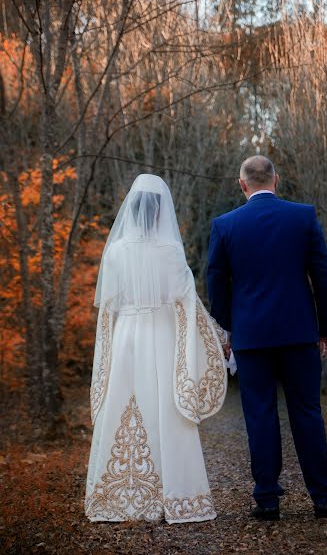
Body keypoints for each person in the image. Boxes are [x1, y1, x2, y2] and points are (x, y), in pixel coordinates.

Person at [85, 174, 227, 524]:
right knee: (166, 407)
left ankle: (120, 497)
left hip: (126, 336)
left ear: (131, 209)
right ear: (162, 210)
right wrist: (217, 336)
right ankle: (178, 496)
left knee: (123, 402)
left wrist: (105, 355)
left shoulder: (116, 251)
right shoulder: (170, 250)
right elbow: (187, 304)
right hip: (163, 336)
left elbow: (108, 309)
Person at [207, 155, 327, 521]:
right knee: (307, 412)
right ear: (276, 180)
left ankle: (267, 499)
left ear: (242, 184)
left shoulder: (225, 224)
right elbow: (323, 277)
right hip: (299, 334)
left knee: (260, 415)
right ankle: (324, 498)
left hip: (251, 338)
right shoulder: (303, 216)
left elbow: (215, 284)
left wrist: (228, 328)